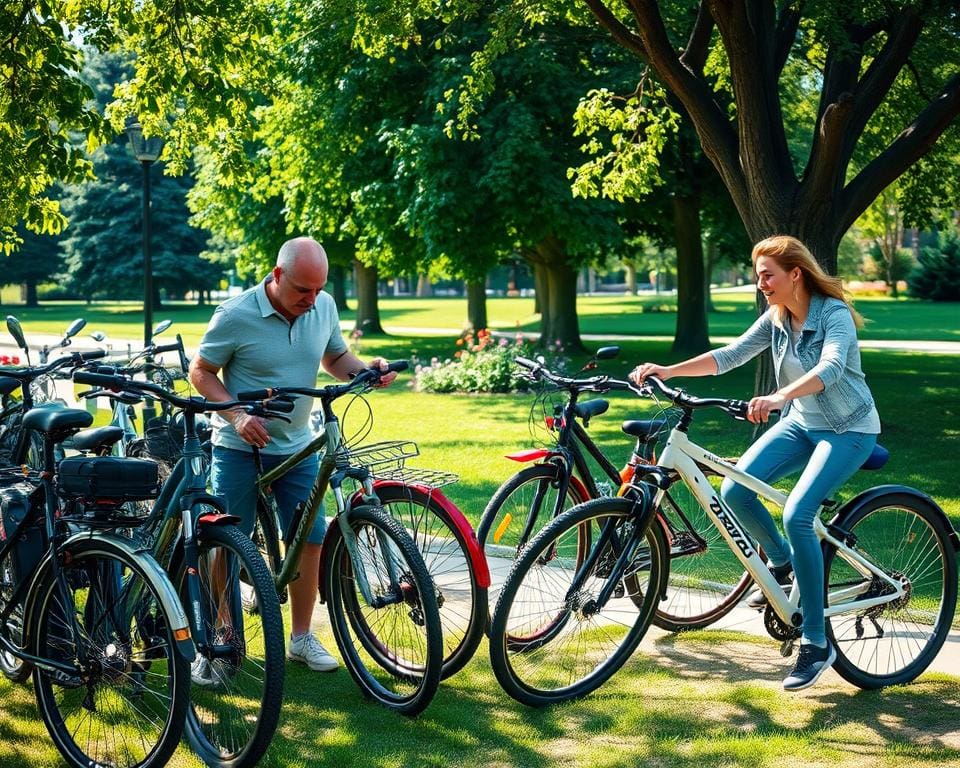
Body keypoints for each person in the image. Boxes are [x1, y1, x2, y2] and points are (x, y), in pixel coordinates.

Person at [629, 235, 880, 692]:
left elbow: (833, 367)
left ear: (795, 274)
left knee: (797, 515)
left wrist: (780, 394)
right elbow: (730, 356)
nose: (760, 282)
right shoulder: (777, 318)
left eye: (768, 274)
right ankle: (783, 567)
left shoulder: (833, 314)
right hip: (802, 424)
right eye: (757, 274)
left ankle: (816, 642)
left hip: (849, 430)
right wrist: (668, 370)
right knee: (735, 490)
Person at [189, 236, 396, 677]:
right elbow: (200, 371)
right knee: (228, 542)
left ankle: (301, 637)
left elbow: (335, 355)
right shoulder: (235, 314)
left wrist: (366, 374)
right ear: (278, 276)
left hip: (298, 442)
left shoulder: (323, 306)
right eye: (303, 289)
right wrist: (236, 415)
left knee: (310, 538)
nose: (313, 298)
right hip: (240, 445)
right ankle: (224, 635)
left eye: (319, 288)